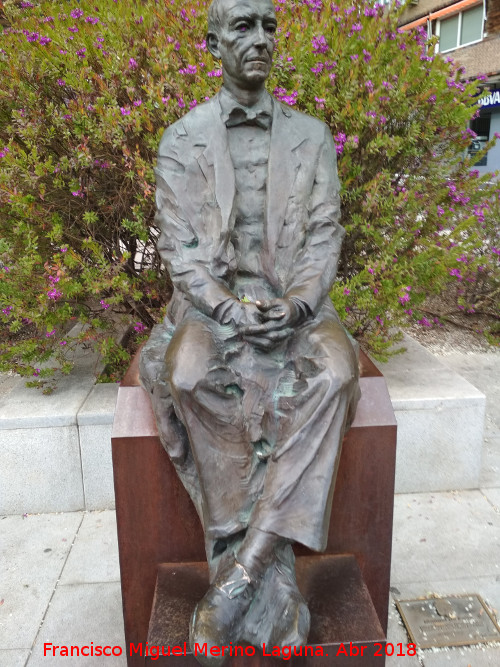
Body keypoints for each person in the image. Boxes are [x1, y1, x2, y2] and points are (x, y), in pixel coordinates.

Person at [139, 0, 360, 663]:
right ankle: (260, 566)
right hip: (212, 309)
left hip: (296, 307)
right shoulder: (182, 141)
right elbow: (181, 254)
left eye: (268, 26)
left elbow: (324, 234)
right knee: (185, 373)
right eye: (243, 26)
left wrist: (295, 307)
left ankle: (244, 571)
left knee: (337, 374)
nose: (260, 38)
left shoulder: (312, 136)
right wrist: (233, 310)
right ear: (213, 43)